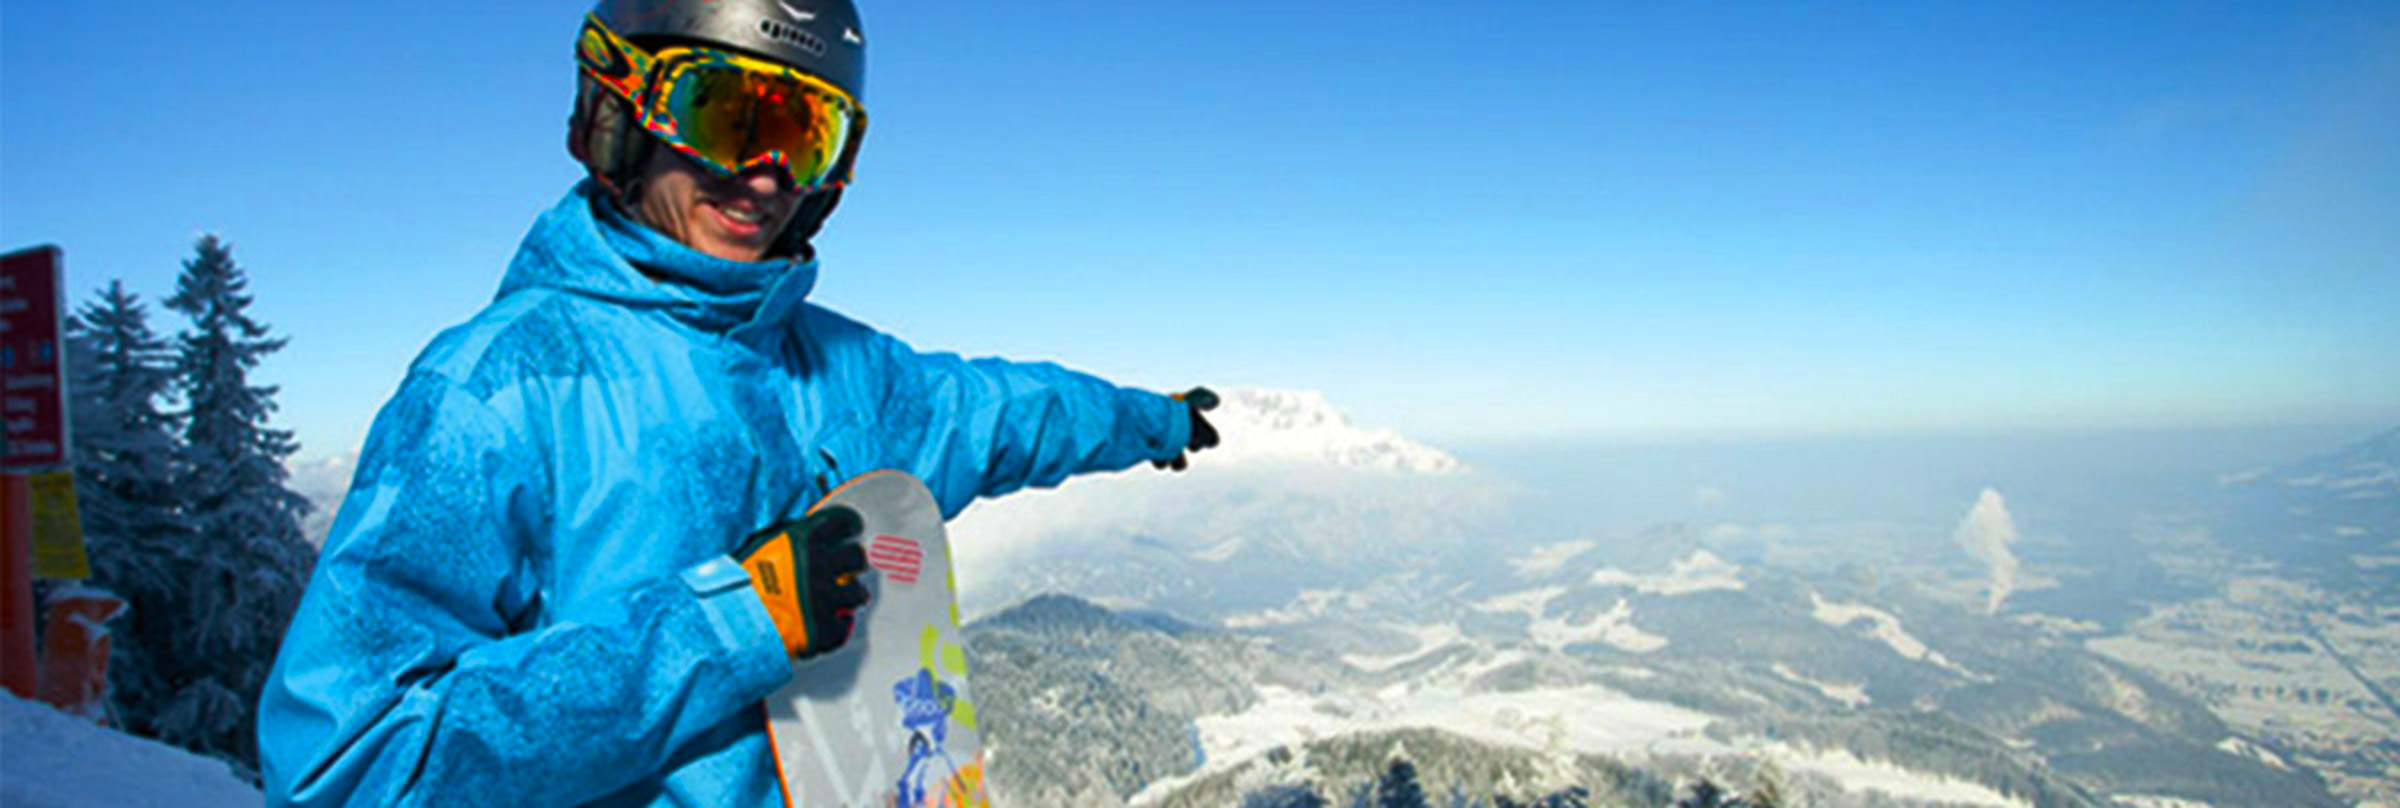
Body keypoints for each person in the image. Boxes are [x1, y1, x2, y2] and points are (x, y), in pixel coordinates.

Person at [255, 0, 1218, 804]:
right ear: (620, 112)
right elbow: (350, 762)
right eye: (728, 116)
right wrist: (731, 625)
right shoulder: (499, 388)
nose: (766, 173)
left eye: (806, 133)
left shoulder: (842, 367)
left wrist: (1153, 420)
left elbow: (999, 412)